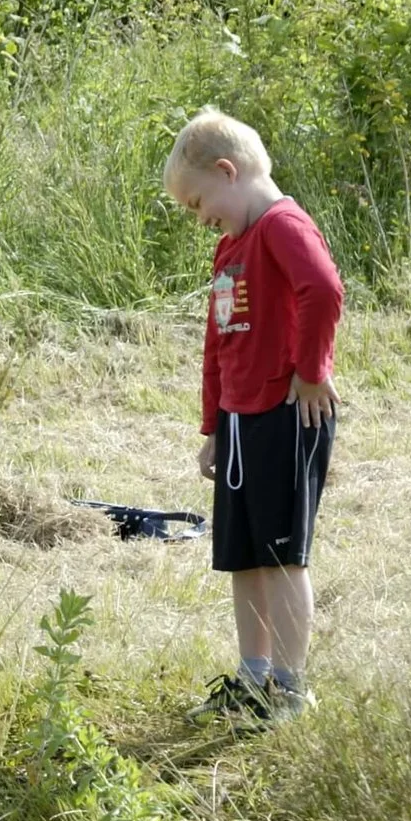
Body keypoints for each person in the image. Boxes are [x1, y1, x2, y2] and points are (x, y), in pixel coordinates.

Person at [162, 108, 343, 724]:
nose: (199, 216)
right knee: (242, 555)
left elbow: (323, 289)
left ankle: (292, 689)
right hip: (239, 422)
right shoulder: (229, 248)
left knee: (283, 555)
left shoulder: (281, 226)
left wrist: (311, 371)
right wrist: (213, 425)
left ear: (227, 171)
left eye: (198, 202)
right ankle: (254, 675)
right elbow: (218, 340)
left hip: (286, 415)